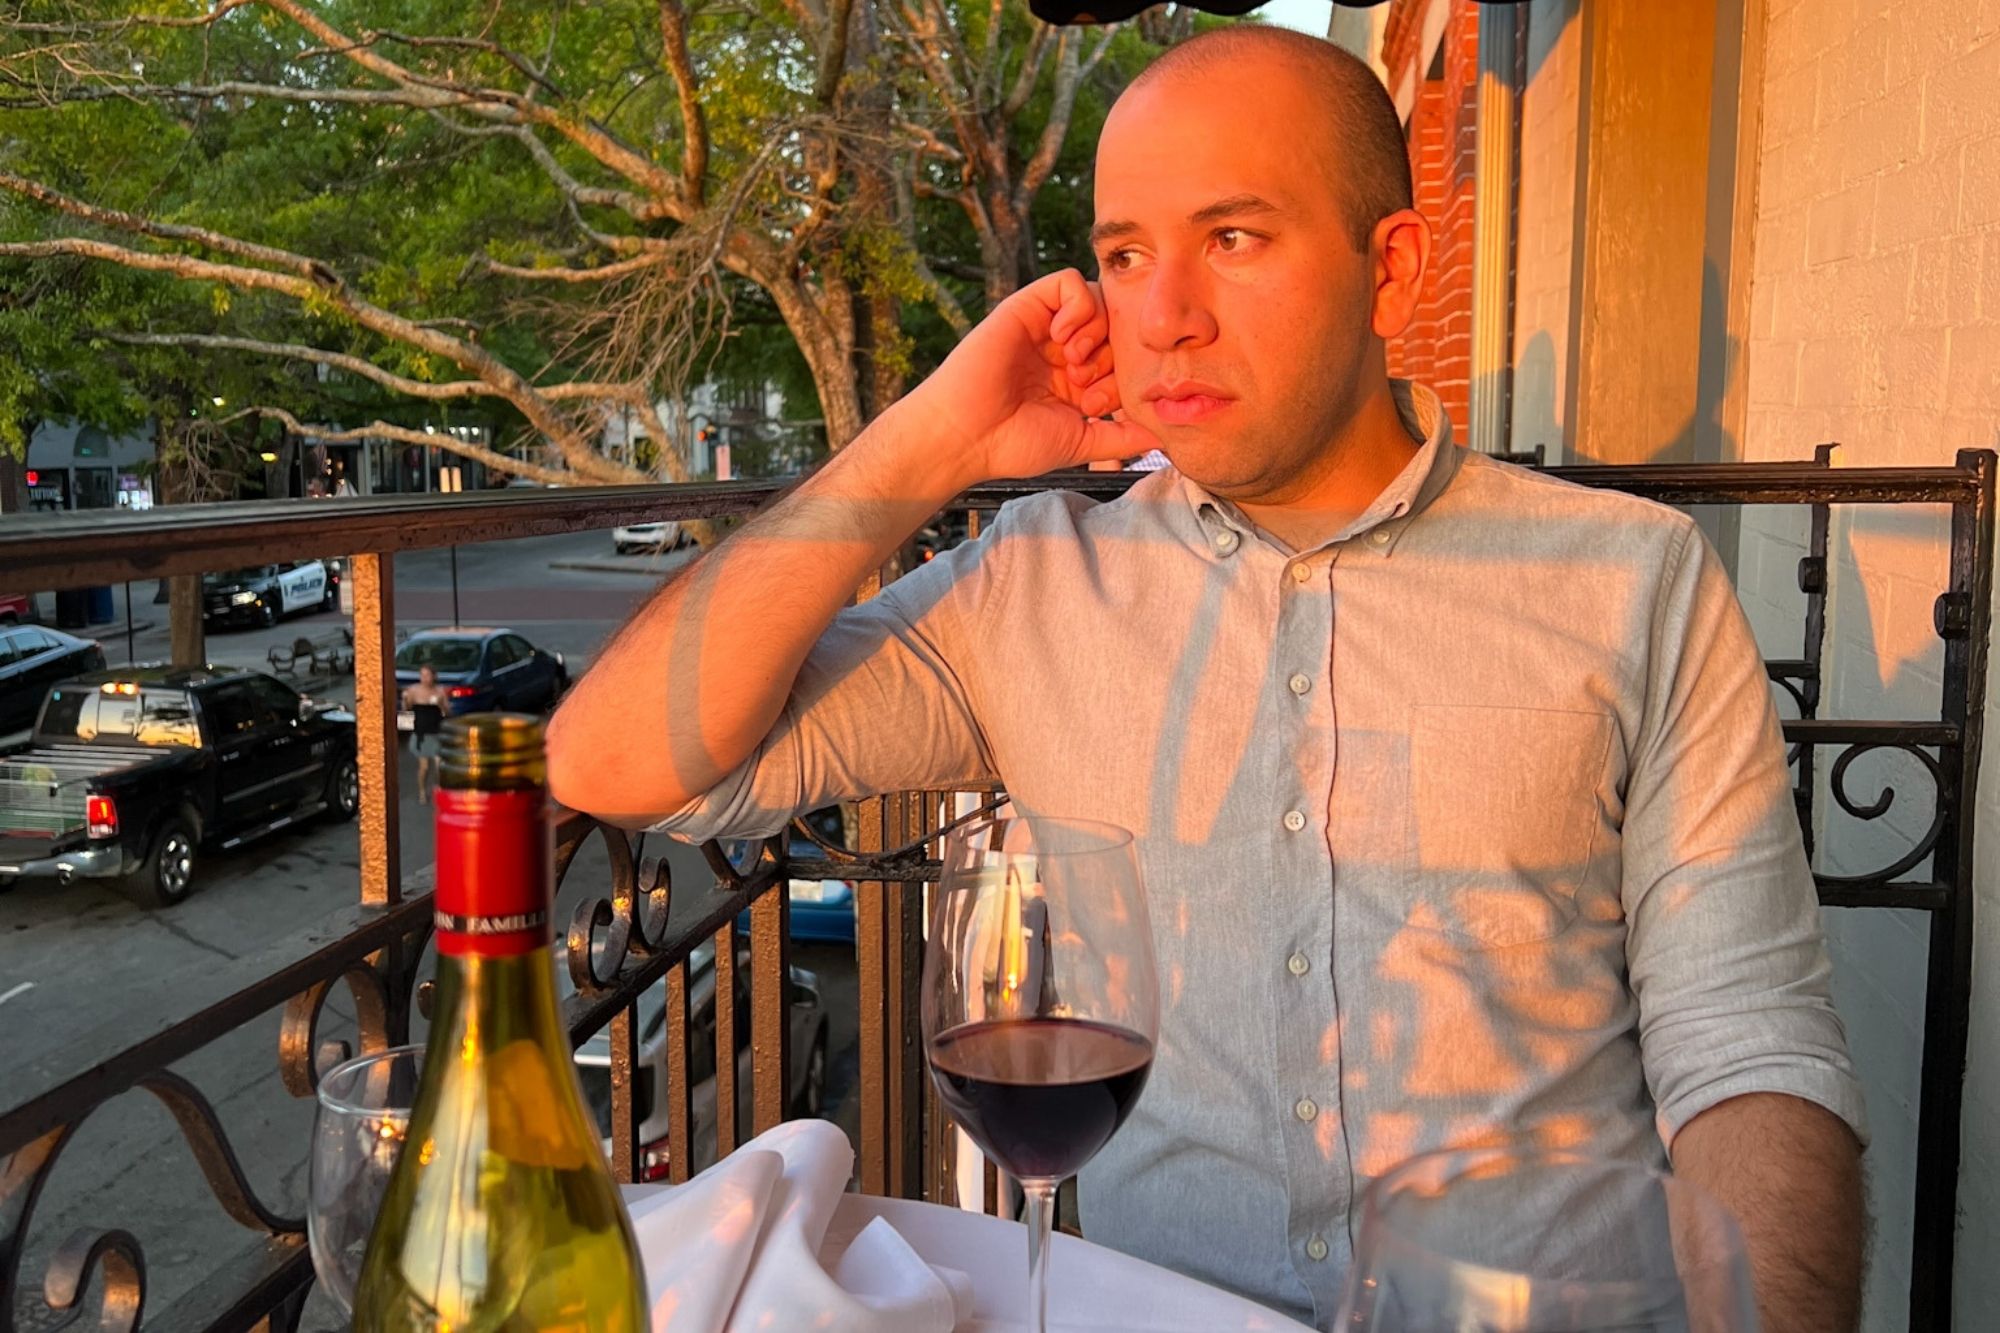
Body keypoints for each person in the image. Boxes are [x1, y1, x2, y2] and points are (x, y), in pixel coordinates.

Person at [549, 27, 1864, 1333]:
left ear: (1391, 270)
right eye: (1125, 255)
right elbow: (621, 760)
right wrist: (936, 433)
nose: (1164, 315)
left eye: (1234, 238)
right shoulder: (1039, 583)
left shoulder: (1632, 579)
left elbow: (1747, 1051)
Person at [400, 665, 449, 804]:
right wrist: (405, 700)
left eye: (427, 675)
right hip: (421, 733)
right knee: (424, 767)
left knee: (440, 766)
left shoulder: (440, 692)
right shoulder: (413, 690)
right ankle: (422, 791)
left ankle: (438, 789)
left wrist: (441, 706)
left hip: (436, 733)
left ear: (434, 676)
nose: (424, 678)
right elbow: (406, 712)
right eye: (422, 675)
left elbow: (448, 714)